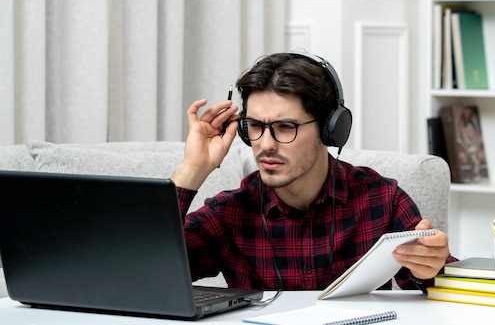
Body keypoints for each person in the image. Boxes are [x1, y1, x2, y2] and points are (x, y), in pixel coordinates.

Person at [171, 52, 455, 291]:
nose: (265, 145)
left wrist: (431, 267)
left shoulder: (381, 199)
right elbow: (140, 271)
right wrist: (193, 168)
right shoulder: (228, 213)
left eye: (285, 127)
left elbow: (444, 291)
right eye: (255, 126)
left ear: (330, 129)